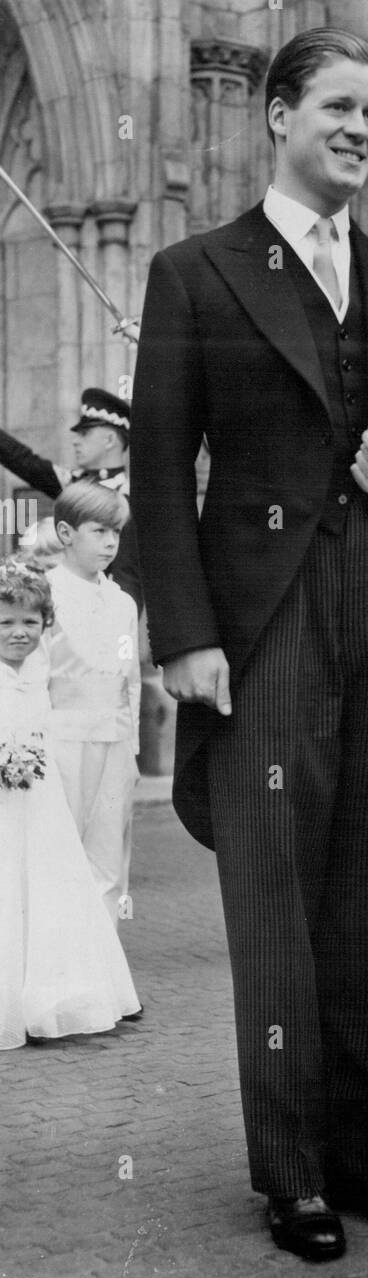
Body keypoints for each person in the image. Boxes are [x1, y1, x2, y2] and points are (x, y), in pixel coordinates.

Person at [130, 27, 368, 1262]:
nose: (357, 130)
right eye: (334, 106)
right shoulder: (195, 271)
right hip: (263, 618)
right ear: (275, 115)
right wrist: (182, 634)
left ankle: (360, 1156)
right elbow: (158, 464)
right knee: (276, 901)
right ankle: (289, 1175)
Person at [0, 562, 140, 1049]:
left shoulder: (42, 670)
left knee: (49, 887)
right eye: (6, 623)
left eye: (30, 624)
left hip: (39, 800)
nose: (19, 633)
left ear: (45, 626)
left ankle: (50, 994)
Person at [45, 481, 141, 927]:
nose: (109, 543)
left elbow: (131, 678)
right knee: (60, 857)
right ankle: (62, 969)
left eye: (116, 533)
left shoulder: (122, 602)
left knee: (108, 861)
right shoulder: (44, 594)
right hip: (61, 741)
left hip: (114, 740)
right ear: (66, 533)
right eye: (99, 531)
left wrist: (133, 747)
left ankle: (107, 976)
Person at [0, 389, 142, 613]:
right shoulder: (75, 485)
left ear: (110, 439)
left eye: (84, 434)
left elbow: (129, 578)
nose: (75, 441)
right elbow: (23, 461)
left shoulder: (130, 499)